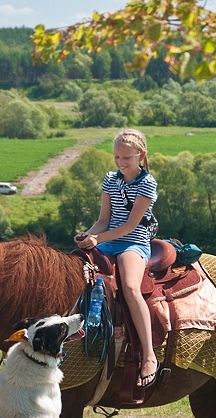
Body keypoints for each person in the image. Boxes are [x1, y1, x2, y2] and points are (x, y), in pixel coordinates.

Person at [75, 128, 159, 396]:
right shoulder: (110, 180)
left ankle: (148, 355)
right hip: (107, 238)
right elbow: (103, 219)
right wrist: (88, 234)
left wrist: (97, 240)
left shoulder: (147, 184)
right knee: (75, 270)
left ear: (140, 155)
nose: (121, 163)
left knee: (131, 287)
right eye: (116, 158)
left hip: (133, 242)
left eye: (126, 158)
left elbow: (130, 226)